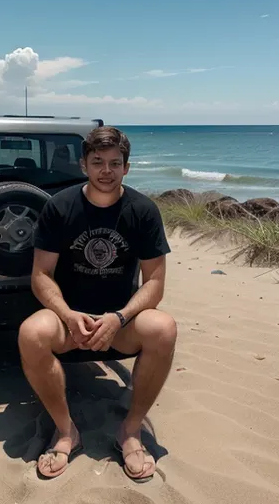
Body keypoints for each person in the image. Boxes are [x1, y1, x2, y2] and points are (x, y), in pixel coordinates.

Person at [18, 126, 176, 482]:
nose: (107, 171)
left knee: (163, 328)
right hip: (69, 321)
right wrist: (68, 315)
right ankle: (65, 431)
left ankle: (131, 431)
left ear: (127, 168)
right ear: (84, 165)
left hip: (119, 323)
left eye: (115, 163)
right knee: (31, 333)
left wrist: (119, 318)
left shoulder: (143, 210)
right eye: (98, 162)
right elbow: (41, 275)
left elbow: (155, 282)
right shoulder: (60, 207)